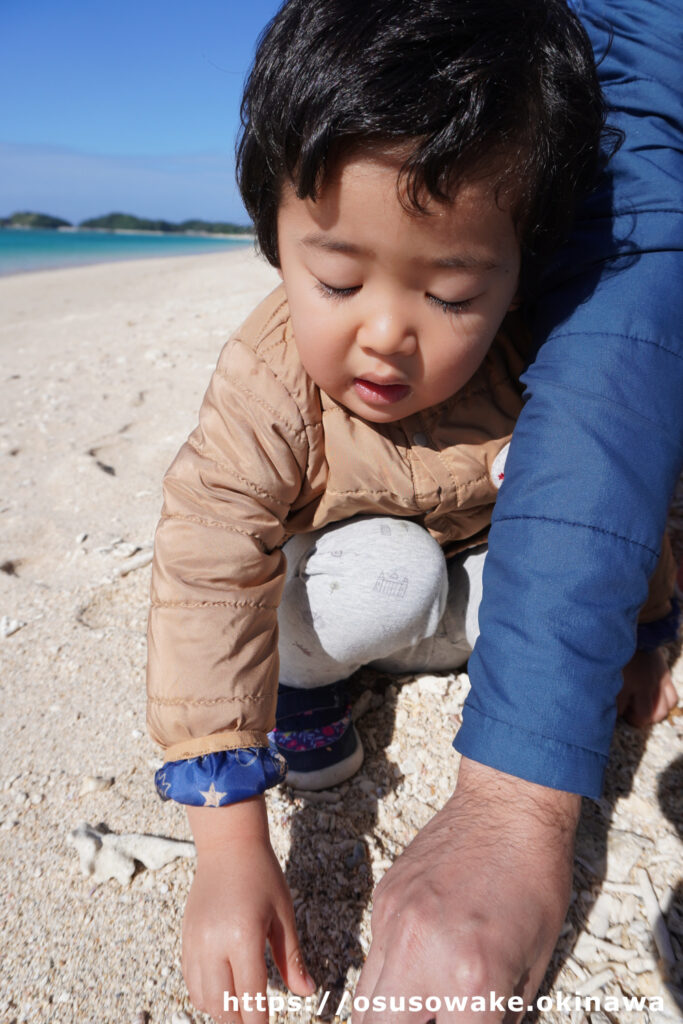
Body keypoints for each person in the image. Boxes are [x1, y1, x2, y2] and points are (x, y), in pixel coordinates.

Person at [145, 1, 681, 1021]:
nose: (385, 332)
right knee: (379, 574)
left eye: (447, 294)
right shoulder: (267, 384)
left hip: (459, 569)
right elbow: (208, 570)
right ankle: (309, 693)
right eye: (337, 277)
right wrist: (227, 836)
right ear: (272, 232)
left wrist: (646, 631)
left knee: (511, 549)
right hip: (342, 589)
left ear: (523, 266)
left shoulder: (534, 356)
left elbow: (610, 478)